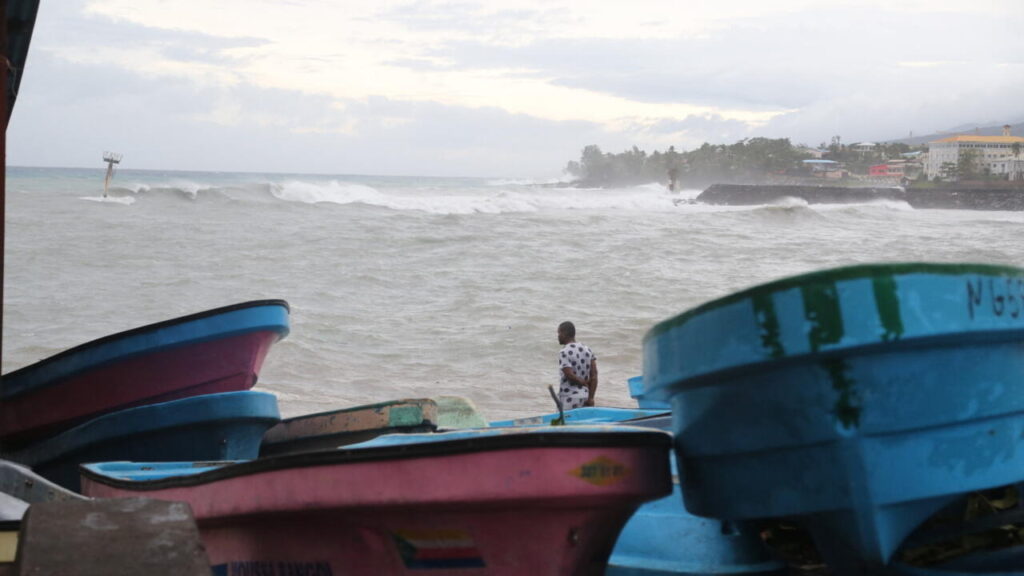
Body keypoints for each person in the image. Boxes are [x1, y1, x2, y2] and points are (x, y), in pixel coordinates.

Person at [556, 321, 598, 409]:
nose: (558, 336)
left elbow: (569, 375)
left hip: (569, 398)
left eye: (559, 333)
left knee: (566, 422)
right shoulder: (587, 350)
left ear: (565, 333)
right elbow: (594, 376)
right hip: (585, 396)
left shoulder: (564, 352)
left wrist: (584, 383)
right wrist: (591, 398)